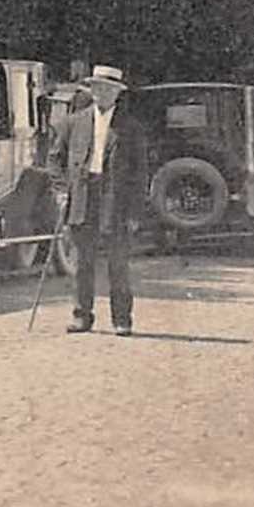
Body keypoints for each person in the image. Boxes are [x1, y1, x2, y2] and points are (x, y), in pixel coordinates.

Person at [51, 64, 148, 336]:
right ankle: (82, 316)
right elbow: (54, 159)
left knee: (118, 263)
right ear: (91, 90)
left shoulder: (131, 128)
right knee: (83, 262)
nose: (101, 92)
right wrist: (61, 190)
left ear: (117, 93)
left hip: (116, 201)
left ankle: (122, 320)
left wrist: (134, 213)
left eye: (108, 88)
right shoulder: (73, 123)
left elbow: (141, 174)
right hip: (82, 197)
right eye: (96, 87)